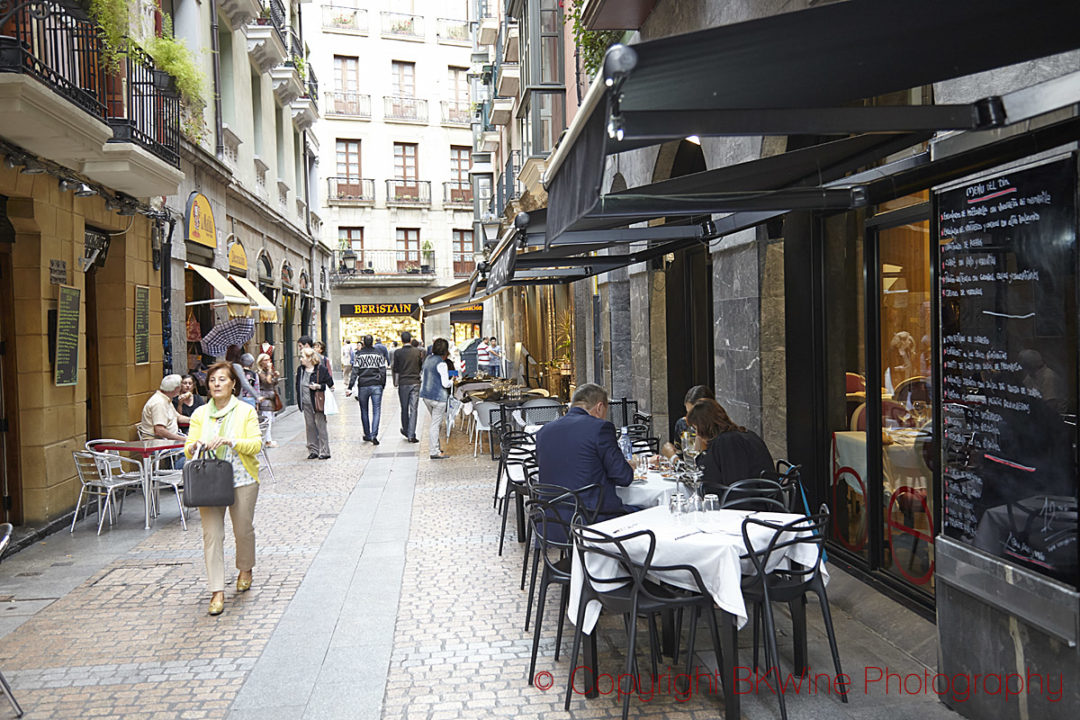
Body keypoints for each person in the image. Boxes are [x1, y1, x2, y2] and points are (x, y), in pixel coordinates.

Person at [183, 362, 263, 616]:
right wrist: (196, 445)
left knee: (243, 530)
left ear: (233, 384)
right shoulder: (199, 414)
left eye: (222, 379)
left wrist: (231, 440)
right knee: (212, 536)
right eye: (212, 380)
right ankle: (217, 590)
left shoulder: (245, 411)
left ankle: (245, 567)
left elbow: (256, 445)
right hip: (209, 481)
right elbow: (188, 447)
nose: (217, 384)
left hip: (241, 478)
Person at [535, 383, 636, 521]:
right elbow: (624, 477)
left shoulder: (544, 431)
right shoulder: (600, 428)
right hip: (590, 522)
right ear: (600, 407)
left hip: (550, 523)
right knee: (648, 512)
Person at [686, 398, 774, 497]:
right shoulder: (747, 434)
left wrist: (702, 448)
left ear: (704, 426)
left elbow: (709, 480)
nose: (697, 434)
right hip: (768, 500)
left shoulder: (725, 442)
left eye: (696, 428)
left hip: (746, 504)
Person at [346, 335, 389, 444]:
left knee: (364, 410)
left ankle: (367, 433)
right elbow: (383, 370)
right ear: (373, 342)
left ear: (364, 343)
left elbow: (355, 371)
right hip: (376, 384)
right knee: (376, 410)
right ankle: (374, 434)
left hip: (363, 384)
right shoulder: (378, 354)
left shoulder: (359, 355)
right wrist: (382, 384)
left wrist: (350, 386)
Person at [296, 346, 334, 459]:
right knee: (310, 426)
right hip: (306, 403)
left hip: (318, 403)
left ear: (309, 358)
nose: (300, 359)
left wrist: (319, 386)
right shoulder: (300, 370)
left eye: (302, 357)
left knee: (321, 426)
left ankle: (325, 451)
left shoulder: (321, 369)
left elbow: (331, 385)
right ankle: (313, 450)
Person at [419, 338, 453, 459]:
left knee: (435, 423)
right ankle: (434, 451)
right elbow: (445, 384)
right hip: (438, 398)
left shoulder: (428, 359)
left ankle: (436, 447)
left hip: (426, 396)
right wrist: (452, 381)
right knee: (435, 424)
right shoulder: (442, 364)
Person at [661, 385, 716, 459]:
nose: (689, 419)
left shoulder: (719, 432)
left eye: (693, 414)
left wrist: (673, 459)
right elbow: (680, 458)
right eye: (688, 412)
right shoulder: (682, 424)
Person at [391, 330, 423, 443]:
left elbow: (395, 368)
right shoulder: (417, 352)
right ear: (410, 340)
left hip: (404, 382)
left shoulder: (398, 352)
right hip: (415, 382)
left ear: (401, 340)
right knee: (413, 409)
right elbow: (420, 366)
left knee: (404, 408)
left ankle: (405, 429)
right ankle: (411, 434)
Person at [138, 374, 188, 442]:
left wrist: (195, 420)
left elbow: (178, 417)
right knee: (194, 449)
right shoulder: (159, 403)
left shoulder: (165, 399)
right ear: (176, 388)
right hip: (159, 444)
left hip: (168, 441)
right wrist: (183, 439)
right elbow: (160, 431)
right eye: (180, 386)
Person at [255, 353, 281, 447]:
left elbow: (273, 383)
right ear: (261, 362)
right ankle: (268, 441)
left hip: (271, 398)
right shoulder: (259, 373)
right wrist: (270, 371)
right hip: (265, 399)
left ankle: (268, 439)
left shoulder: (267, 372)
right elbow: (267, 382)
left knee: (270, 419)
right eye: (266, 360)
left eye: (269, 359)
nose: (268, 362)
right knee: (267, 419)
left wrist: (276, 377)